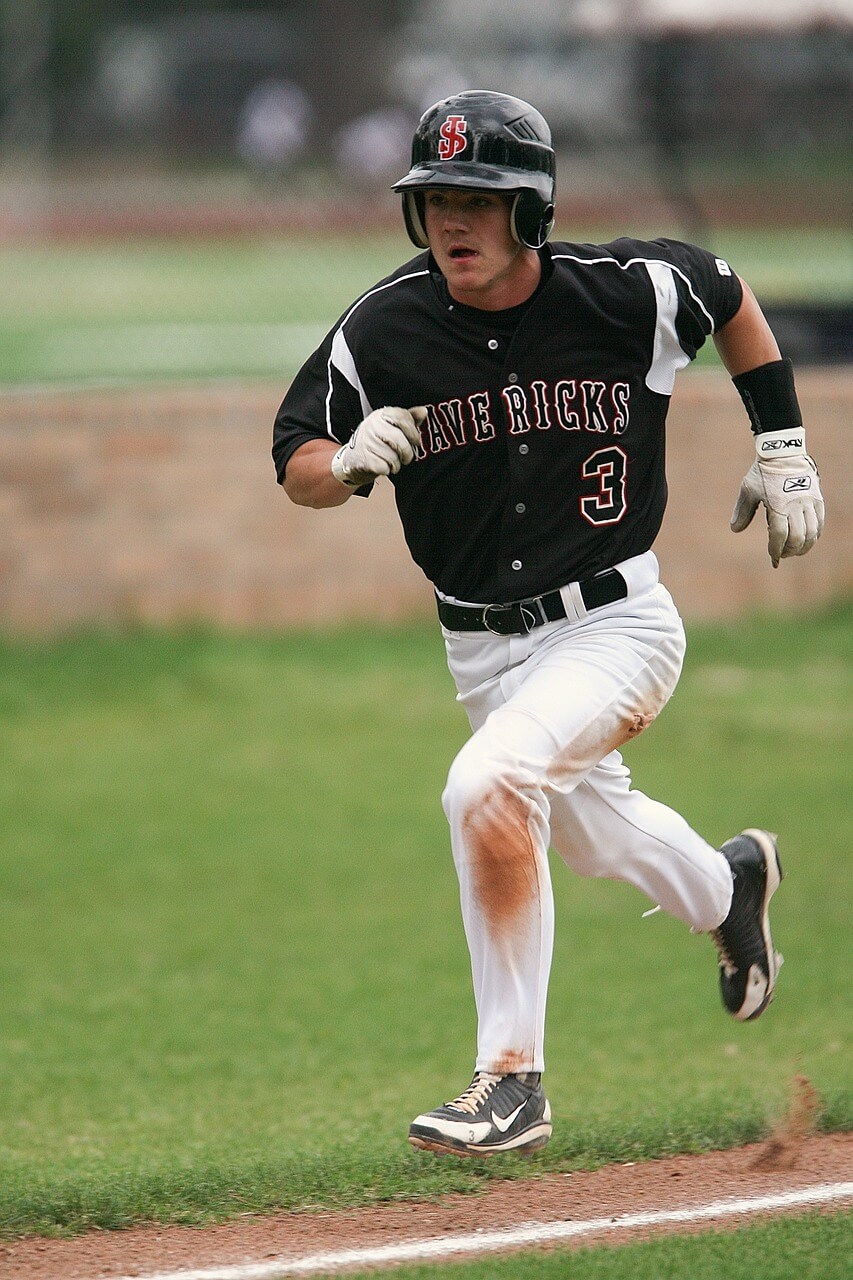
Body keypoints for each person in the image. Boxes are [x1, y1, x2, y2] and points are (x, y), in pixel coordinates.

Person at [272, 91, 824, 1158]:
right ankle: (730, 885)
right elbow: (294, 454)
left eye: (476, 197)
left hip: (614, 625)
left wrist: (783, 442)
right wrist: (339, 468)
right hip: (478, 646)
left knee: (487, 784)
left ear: (531, 207)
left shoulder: (619, 293)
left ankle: (510, 1079)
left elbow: (725, 292)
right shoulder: (382, 327)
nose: (449, 220)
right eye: (431, 198)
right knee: (585, 831)